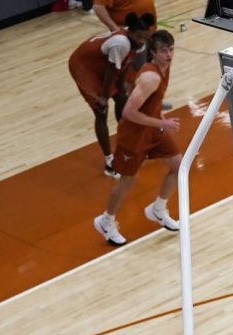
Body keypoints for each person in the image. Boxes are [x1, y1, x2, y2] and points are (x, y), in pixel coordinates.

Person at [94, 30, 180, 246]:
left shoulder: (164, 68)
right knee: (128, 180)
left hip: (152, 129)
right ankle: (106, 221)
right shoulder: (151, 76)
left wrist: (158, 114)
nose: (169, 55)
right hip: (134, 135)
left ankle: (158, 209)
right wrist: (162, 123)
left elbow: (150, 100)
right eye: (163, 51)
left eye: (171, 49)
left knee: (179, 165)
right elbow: (128, 113)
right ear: (153, 53)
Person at [67, 13, 154, 178]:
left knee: (122, 99)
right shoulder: (120, 43)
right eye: (139, 36)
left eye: (145, 37)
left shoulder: (138, 43)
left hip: (103, 64)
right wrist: (104, 97)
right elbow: (111, 71)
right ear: (131, 33)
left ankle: (127, 142)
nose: (142, 40)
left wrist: (121, 87)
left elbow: (124, 65)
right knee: (101, 111)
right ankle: (109, 162)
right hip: (84, 66)